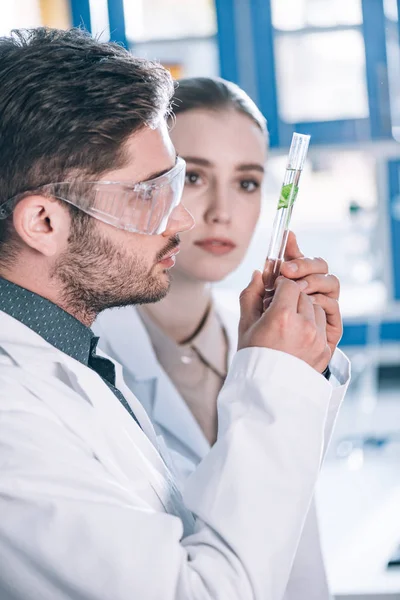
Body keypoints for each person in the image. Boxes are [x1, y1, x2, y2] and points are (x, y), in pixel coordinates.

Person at [0, 28, 339, 600]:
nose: (183, 219)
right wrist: (277, 384)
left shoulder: (76, 357)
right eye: (146, 193)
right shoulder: (13, 417)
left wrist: (284, 369)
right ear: (44, 223)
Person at [94, 77, 351, 599]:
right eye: (191, 177)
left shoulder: (265, 344)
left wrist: (303, 372)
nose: (221, 212)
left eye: (248, 183)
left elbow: (285, 518)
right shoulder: (91, 360)